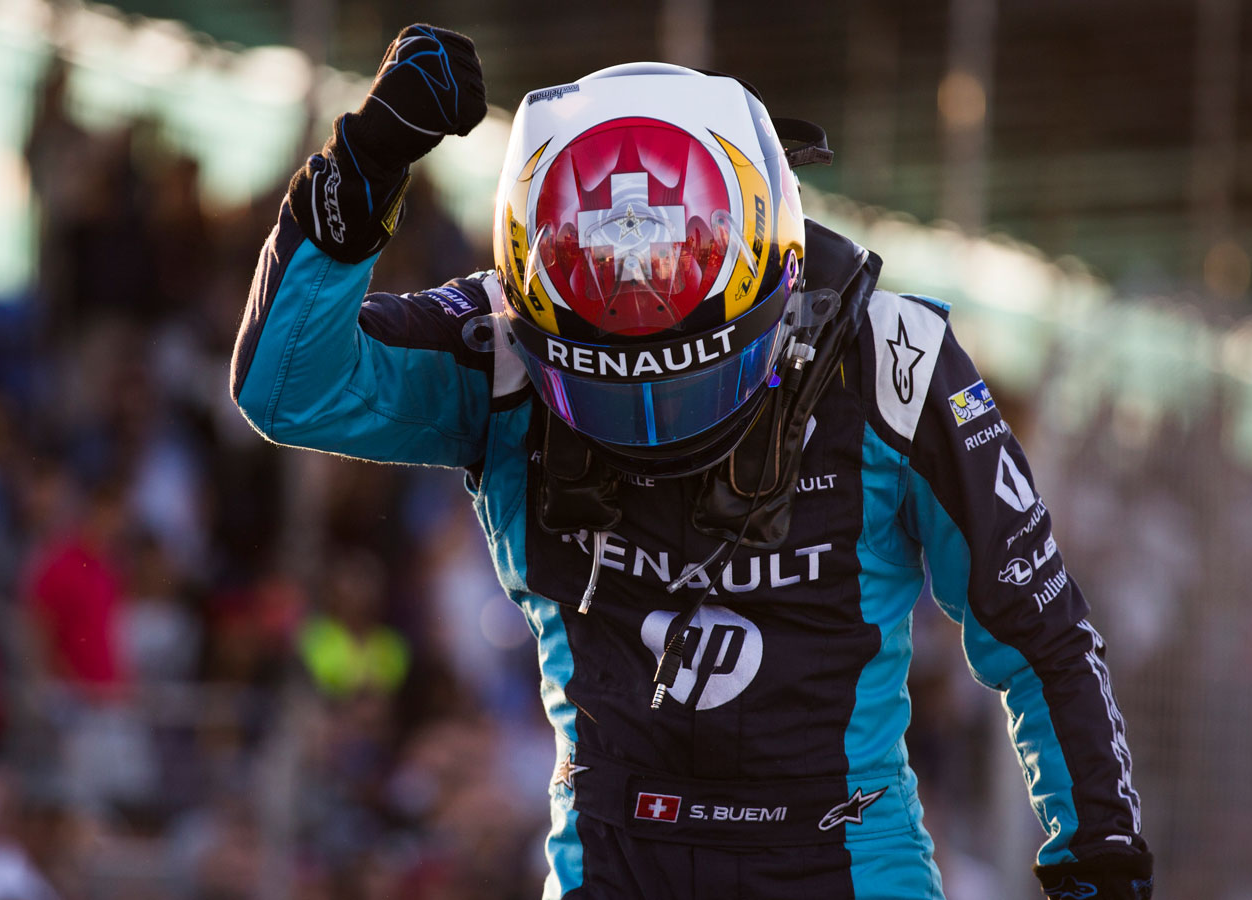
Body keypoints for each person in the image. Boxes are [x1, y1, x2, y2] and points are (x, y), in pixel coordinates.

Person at [230, 24, 1151, 900]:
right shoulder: (501, 348)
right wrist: (364, 162)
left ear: (771, 278)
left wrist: (1098, 858)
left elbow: (1038, 633)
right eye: (605, 385)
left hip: (844, 858)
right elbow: (287, 387)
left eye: (684, 382)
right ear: (534, 301)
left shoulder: (891, 361)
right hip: (612, 856)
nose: (648, 425)